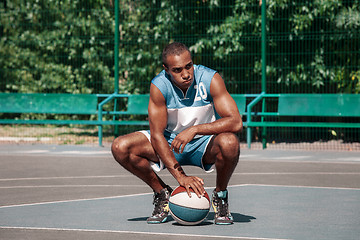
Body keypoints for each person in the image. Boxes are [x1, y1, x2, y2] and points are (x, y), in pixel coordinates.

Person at [111, 42, 243, 225]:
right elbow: (157, 135)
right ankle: (162, 193)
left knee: (230, 142)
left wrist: (195, 129)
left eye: (189, 66)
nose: (186, 74)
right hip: (169, 143)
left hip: (204, 144)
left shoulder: (210, 78)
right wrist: (181, 177)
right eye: (178, 70)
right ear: (166, 69)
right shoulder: (159, 86)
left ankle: (220, 195)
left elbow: (236, 121)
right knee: (120, 146)